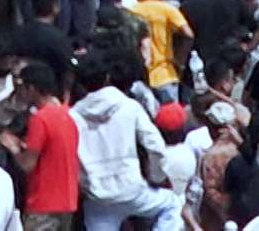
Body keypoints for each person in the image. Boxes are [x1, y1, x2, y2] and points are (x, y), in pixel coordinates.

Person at [68, 56, 178, 231]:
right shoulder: (129, 106)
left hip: (97, 197)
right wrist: (156, 176)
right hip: (132, 189)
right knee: (173, 205)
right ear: (107, 78)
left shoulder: (73, 115)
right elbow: (156, 147)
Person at [2, 63, 78, 231]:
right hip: (67, 201)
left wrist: (13, 146)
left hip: (43, 203)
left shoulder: (40, 118)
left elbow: (27, 164)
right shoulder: (67, 114)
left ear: (32, 89)